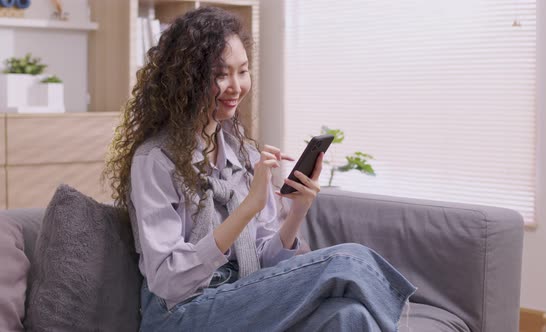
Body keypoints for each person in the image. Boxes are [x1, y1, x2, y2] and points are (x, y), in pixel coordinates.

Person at [104, 7, 415, 332]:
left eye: (243, 71)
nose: (235, 86)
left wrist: (296, 212)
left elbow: (266, 258)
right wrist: (248, 207)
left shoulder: (245, 155)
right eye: (221, 74)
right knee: (348, 261)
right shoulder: (154, 160)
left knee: (352, 316)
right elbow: (169, 281)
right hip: (180, 313)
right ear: (187, 78)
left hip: (244, 298)